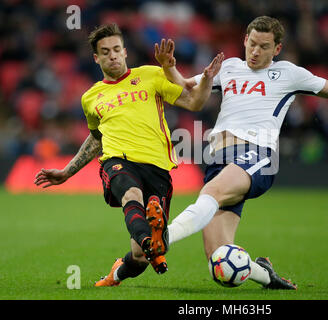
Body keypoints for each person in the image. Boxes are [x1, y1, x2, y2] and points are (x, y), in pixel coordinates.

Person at [150, 16, 328, 290]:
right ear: (245, 40)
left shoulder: (289, 74)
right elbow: (187, 85)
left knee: (209, 194)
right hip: (219, 160)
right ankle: (265, 274)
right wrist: (168, 67)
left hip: (256, 155)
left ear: (277, 49)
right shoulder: (229, 67)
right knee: (219, 261)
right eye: (253, 44)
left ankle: (163, 238)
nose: (256, 51)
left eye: (265, 46)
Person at [34, 23, 224, 287]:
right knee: (130, 195)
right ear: (96, 58)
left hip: (157, 167)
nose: (112, 55)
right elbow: (96, 138)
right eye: (105, 51)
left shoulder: (151, 75)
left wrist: (207, 79)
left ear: (124, 52)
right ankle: (150, 240)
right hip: (117, 161)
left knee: (139, 257)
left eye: (116, 49)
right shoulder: (91, 97)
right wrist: (67, 171)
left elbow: (195, 103)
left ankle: (121, 270)